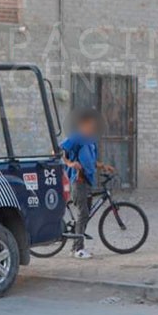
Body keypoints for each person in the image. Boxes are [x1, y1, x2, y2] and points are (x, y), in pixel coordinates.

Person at [60, 109, 101, 259]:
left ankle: (75, 247)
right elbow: (57, 151)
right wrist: (70, 163)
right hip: (77, 182)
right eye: (90, 125)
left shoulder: (91, 140)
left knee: (85, 214)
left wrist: (102, 166)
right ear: (83, 124)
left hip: (87, 181)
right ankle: (78, 249)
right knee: (83, 213)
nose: (92, 127)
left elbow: (90, 161)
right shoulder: (75, 138)